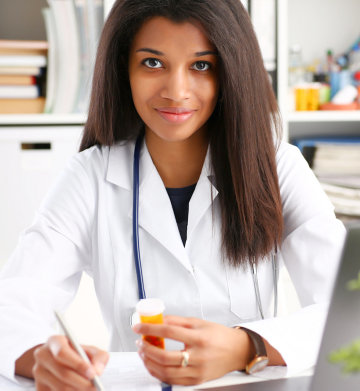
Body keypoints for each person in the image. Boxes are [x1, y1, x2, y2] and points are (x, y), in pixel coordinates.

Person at [0, 0, 345, 389]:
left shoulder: (278, 165)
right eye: (152, 63)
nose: (176, 91)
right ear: (122, 69)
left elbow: (348, 309)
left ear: (230, 71)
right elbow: (13, 304)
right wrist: (42, 357)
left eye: (201, 65)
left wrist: (245, 346)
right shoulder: (89, 177)